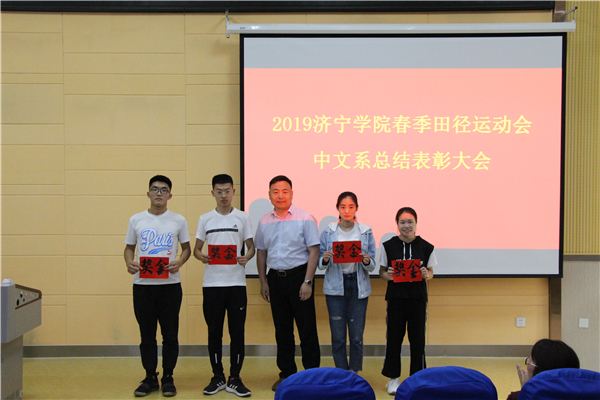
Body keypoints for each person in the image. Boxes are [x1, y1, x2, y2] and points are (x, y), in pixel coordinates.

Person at [124, 175, 191, 397]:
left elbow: (187, 249)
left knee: (170, 335)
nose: (159, 193)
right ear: (148, 193)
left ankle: (168, 376)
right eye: (155, 189)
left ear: (170, 195)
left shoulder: (178, 220)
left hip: (170, 286)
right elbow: (129, 248)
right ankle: (150, 377)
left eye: (164, 190)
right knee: (147, 335)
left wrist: (179, 262)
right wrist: (129, 262)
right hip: (143, 285)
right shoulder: (136, 220)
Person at [255, 175, 321, 391]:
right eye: (275, 191)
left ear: (292, 194)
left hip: (299, 278)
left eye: (285, 191)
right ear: (269, 195)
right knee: (282, 330)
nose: (280, 195)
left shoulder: (305, 218)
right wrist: (263, 281)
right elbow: (261, 252)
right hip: (275, 279)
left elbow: (314, 251)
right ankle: (286, 374)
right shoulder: (264, 221)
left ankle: (312, 374)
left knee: (307, 329)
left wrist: (308, 281)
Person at [194, 174, 255, 397]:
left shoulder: (243, 217)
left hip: (236, 284)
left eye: (227, 191)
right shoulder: (205, 219)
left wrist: (246, 257)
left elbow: (251, 247)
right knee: (214, 332)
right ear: (213, 193)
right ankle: (217, 376)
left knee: (237, 333)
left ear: (233, 192)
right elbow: (196, 249)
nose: (223, 195)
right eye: (219, 192)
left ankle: (235, 378)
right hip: (212, 284)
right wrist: (201, 256)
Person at [379, 207, 437, 395]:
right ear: (397, 224)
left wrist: (425, 274)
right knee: (394, 338)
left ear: (416, 223)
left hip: (417, 298)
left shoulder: (426, 247)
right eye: (402, 222)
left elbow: (431, 273)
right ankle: (393, 378)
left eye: (410, 222)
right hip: (396, 298)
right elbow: (382, 272)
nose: (406, 225)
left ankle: (417, 378)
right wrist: (388, 274)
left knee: (417, 339)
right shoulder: (388, 246)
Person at [318, 191, 376, 373]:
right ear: (337, 208)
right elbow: (320, 263)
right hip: (336, 286)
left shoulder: (365, 231)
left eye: (351, 207)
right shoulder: (329, 232)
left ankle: (355, 372)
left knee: (356, 336)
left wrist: (366, 260)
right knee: (338, 336)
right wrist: (325, 259)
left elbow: (373, 264)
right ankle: (342, 373)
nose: (347, 210)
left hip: (357, 285)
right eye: (343, 207)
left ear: (357, 208)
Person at [506, 339, 580, 400]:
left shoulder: (516, 397)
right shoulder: (585, 395)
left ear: (540, 371)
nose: (528, 365)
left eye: (530, 360)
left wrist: (526, 392)